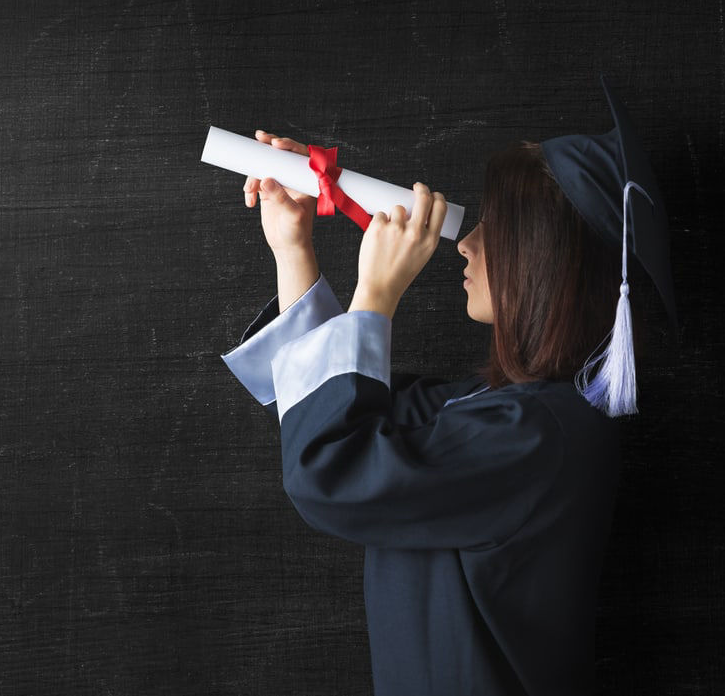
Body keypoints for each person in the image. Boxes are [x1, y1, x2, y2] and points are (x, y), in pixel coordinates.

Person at [218, 77, 676, 696]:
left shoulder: (542, 437)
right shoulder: (491, 409)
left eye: (495, 228)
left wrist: (375, 296)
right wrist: (293, 243)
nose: (466, 243)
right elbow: (330, 404)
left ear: (542, 260)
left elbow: (329, 467)